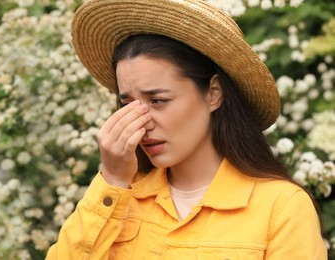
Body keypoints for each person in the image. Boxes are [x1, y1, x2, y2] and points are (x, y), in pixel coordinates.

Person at [46, 0, 327, 259]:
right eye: (128, 104)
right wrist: (113, 180)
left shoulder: (280, 207)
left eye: (158, 100)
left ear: (214, 93)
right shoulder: (118, 200)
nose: (141, 121)